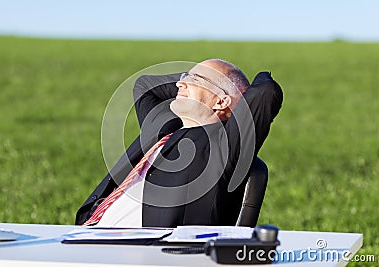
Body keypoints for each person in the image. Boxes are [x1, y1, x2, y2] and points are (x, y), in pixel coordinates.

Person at [75, 59, 283, 227]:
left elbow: (265, 92)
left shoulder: (224, 145)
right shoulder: (161, 126)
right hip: (87, 233)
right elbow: (146, 85)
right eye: (184, 77)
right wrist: (194, 81)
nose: (178, 84)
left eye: (195, 79)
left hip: (148, 253)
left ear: (221, 101)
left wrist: (234, 90)